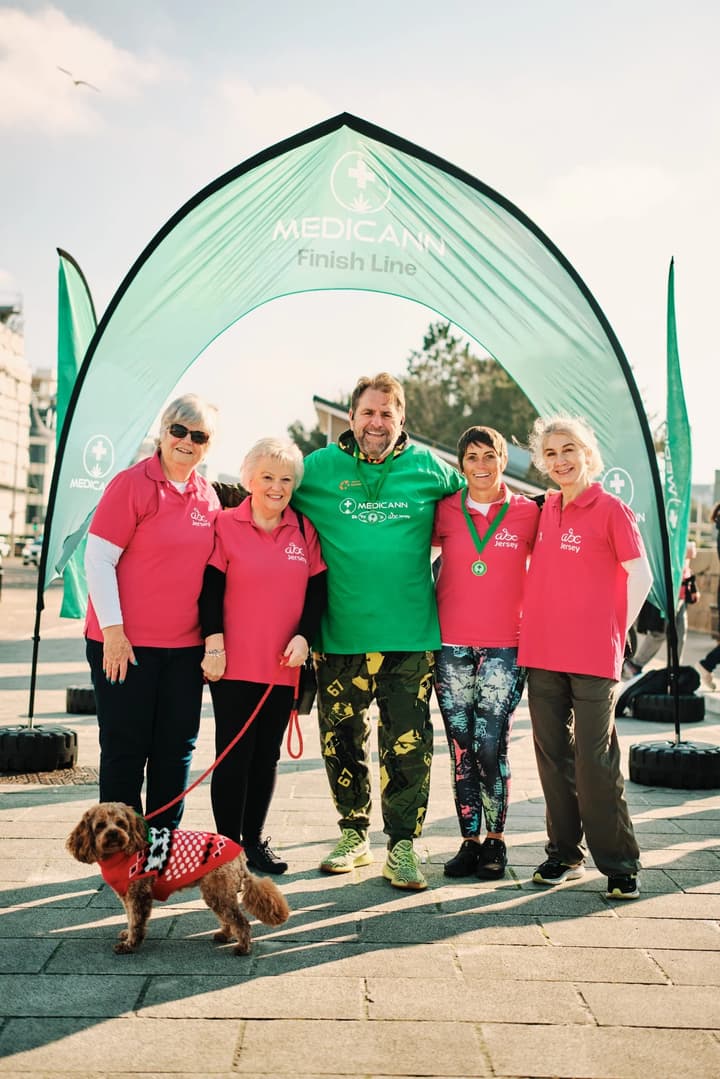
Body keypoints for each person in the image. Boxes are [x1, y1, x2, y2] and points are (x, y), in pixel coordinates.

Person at [292, 372, 465, 890]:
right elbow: (265, 492)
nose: (377, 422)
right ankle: (353, 833)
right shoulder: (317, 470)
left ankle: (404, 845)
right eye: (368, 412)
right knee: (341, 739)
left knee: (407, 743)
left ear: (401, 418)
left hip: (410, 636)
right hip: (339, 635)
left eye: (387, 413)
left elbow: (483, 501)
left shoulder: (430, 468)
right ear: (351, 418)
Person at [518, 414, 652, 900]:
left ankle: (619, 862)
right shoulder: (544, 509)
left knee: (595, 759)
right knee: (553, 757)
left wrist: (616, 630)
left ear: (587, 453)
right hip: (542, 651)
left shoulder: (611, 508)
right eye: (550, 453)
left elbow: (641, 576)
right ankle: (563, 854)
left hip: (595, 656)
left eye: (568, 449)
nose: (560, 460)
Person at [84, 394, 221, 829]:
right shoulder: (132, 484)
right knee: (126, 749)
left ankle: (160, 845)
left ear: (207, 445)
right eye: (178, 430)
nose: (186, 441)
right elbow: (98, 559)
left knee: (175, 750)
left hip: (183, 650)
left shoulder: (209, 498)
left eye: (198, 436)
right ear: (163, 433)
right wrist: (114, 633)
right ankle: (122, 852)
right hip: (125, 644)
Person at [199, 438, 327, 874]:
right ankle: (226, 848)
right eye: (268, 477)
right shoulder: (225, 524)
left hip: (282, 665)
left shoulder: (304, 529)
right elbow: (211, 589)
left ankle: (253, 842)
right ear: (250, 479)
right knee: (232, 755)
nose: (277, 487)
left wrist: (305, 637)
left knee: (266, 755)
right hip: (232, 663)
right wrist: (213, 643)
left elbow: (317, 591)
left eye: (286, 479)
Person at [432, 426, 539, 880]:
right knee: (461, 747)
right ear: (462, 464)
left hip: (505, 646)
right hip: (450, 643)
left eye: (489, 455)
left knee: (490, 744)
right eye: (472, 456)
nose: (481, 465)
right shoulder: (443, 511)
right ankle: (469, 841)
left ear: (503, 460)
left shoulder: (526, 513)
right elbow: (409, 556)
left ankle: (496, 841)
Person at [622, 540, 697, 676]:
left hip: (680, 590)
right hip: (667, 590)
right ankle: (636, 664)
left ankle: (674, 669)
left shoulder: (680, 527)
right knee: (659, 632)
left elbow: (689, 556)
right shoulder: (667, 532)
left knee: (680, 632)